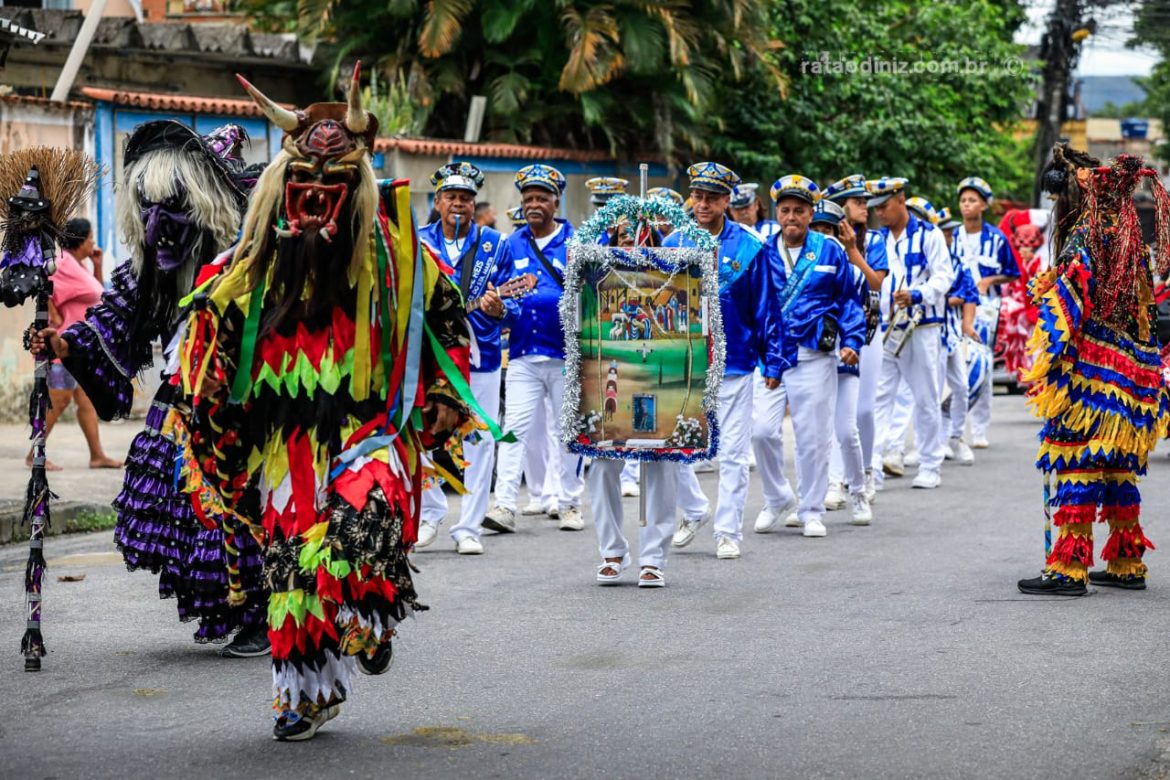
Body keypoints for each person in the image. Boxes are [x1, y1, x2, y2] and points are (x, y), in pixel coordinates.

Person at [178, 72, 473, 739]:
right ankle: (304, 696)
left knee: (362, 534)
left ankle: (371, 620)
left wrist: (442, 397)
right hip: (285, 447)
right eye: (301, 189)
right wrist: (206, 396)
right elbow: (204, 351)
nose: (313, 204)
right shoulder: (244, 270)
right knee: (292, 571)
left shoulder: (399, 261)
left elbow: (446, 326)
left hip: (368, 429)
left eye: (329, 190)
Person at [32, 121, 268, 654]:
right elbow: (112, 320)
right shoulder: (147, 271)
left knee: (243, 505)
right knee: (176, 497)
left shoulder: (250, 265)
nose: (157, 223)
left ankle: (262, 609)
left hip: (245, 406)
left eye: (174, 206)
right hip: (183, 400)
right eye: (148, 206)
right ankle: (235, 603)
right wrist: (64, 344)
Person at [1018, 148, 1170, 596]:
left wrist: (1050, 357)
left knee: (1074, 455)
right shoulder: (1128, 234)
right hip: (1133, 371)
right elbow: (1146, 310)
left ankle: (1068, 568)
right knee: (1118, 461)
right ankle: (1126, 563)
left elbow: (1068, 307)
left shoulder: (1083, 232)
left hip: (1089, 368)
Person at [665, 162, 786, 559]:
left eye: (712, 198)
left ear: (726, 200)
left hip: (735, 362)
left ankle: (728, 530)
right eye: (698, 196)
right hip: (683, 363)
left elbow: (768, 306)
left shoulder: (751, 246)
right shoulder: (673, 243)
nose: (702, 204)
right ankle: (696, 509)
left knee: (733, 451)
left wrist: (773, 361)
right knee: (675, 447)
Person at [751, 176, 864, 538]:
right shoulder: (764, 252)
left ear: (811, 213)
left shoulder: (830, 250)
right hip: (774, 356)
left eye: (799, 211)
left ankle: (812, 508)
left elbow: (848, 299)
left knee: (813, 437)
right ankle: (777, 496)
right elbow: (757, 309)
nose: (792, 217)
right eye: (785, 211)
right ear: (776, 214)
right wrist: (764, 357)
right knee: (762, 431)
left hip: (815, 353)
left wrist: (853, 339)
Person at [417, 162, 518, 554]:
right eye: (451, 197)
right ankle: (429, 514)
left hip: (483, 356)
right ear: (437, 201)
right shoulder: (418, 240)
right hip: (431, 356)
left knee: (479, 437)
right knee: (425, 433)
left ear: (474, 204)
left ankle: (469, 527)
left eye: (465, 198)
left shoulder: (496, 244)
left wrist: (498, 311)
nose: (458, 204)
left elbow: (517, 307)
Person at [486, 164, 585, 531]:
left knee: (566, 432)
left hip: (565, 357)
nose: (534, 204)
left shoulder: (576, 243)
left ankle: (570, 503)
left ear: (556, 201)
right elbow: (501, 296)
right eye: (528, 199)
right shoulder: (510, 245)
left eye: (542, 198)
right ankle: (504, 505)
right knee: (512, 429)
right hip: (524, 354)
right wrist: (499, 310)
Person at [868, 177, 954, 490]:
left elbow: (945, 277)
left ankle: (930, 465)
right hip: (885, 328)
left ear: (901, 200)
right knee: (879, 397)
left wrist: (917, 294)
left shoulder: (929, 234)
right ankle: (873, 468)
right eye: (875, 207)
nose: (879, 212)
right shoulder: (877, 238)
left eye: (884, 206)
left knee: (925, 397)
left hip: (921, 326)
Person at [31, 218, 121, 471]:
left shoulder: (77, 266)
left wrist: (98, 266)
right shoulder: (61, 262)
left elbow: (98, 298)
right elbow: (42, 283)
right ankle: (34, 454)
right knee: (58, 400)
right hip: (60, 345)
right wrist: (53, 312)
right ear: (80, 240)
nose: (94, 242)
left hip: (79, 348)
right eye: (91, 237)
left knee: (86, 400)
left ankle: (97, 456)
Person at [821, 174, 888, 506]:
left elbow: (876, 283)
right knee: (836, 408)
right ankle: (835, 480)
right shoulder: (821, 238)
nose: (865, 207)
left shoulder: (873, 241)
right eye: (858, 202)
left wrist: (851, 250)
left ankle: (866, 469)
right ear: (841, 209)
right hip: (831, 333)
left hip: (868, 332)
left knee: (863, 410)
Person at [808, 199, 874, 524]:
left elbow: (860, 313)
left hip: (844, 362)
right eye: (816, 230)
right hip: (810, 361)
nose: (822, 236)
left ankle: (859, 492)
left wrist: (853, 344)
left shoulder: (854, 273)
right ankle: (812, 499)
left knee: (846, 431)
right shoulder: (798, 273)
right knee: (813, 433)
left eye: (828, 230)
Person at [950, 176, 1018, 449]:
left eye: (972, 200)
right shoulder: (952, 236)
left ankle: (979, 428)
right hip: (954, 306)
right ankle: (953, 426)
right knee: (954, 363)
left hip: (987, 308)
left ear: (983, 206)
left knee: (983, 364)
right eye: (963, 200)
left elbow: (1012, 273)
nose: (967, 205)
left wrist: (990, 280)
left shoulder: (996, 238)